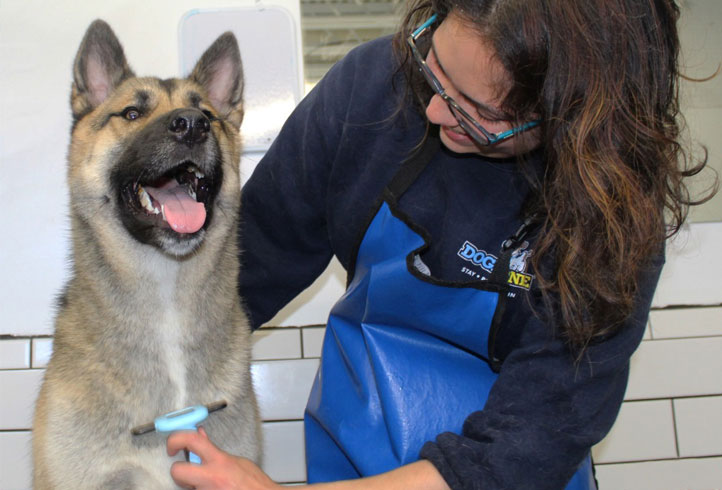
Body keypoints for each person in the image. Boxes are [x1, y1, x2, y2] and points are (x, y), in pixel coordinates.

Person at [167, 0, 714, 488]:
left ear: (573, 120)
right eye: (437, 72)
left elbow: (525, 446)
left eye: (483, 114)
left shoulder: (611, 216)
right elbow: (241, 273)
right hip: (357, 445)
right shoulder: (371, 91)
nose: (434, 111)